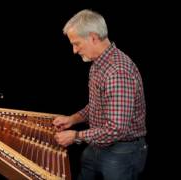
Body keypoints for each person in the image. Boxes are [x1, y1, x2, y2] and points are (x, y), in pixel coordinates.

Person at [53, 9, 148, 180]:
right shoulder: (98, 64)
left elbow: (116, 128)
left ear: (93, 37)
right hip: (97, 144)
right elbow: (98, 105)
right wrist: (73, 119)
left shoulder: (118, 71)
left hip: (121, 152)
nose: (74, 50)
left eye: (77, 43)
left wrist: (76, 136)